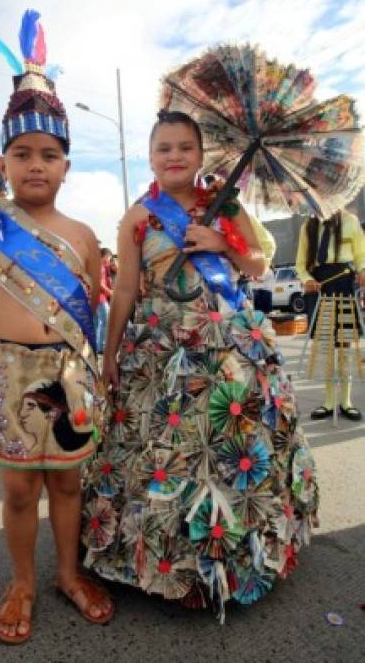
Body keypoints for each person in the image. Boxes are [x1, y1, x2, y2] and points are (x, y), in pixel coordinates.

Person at [82, 110, 319, 621]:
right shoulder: (138, 217)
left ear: (200, 154)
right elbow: (124, 289)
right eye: (164, 147)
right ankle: (163, 558)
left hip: (227, 346)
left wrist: (222, 244)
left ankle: (236, 559)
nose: (174, 156)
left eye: (184, 147)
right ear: (151, 156)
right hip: (161, 350)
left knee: (229, 444)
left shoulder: (224, 203)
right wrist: (110, 354)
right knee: (167, 452)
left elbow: (258, 263)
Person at [0, 10, 113, 644]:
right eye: (22, 154)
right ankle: (21, 581)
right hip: (6, 372)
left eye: (49, 154)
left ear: (67, 165)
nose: (35, 165)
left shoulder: (83, 235)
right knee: (19, 491)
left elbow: (90, 310)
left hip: (68, 376)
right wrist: (8, 349)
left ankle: (68, 574)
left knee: (67, 481)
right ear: (3, 160)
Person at [295, 210, 365, 420]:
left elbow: (361, 255)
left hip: (344, 283)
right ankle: (328, 402)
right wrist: (307, 279)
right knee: (325, 347)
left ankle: (346, 401)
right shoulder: (308, 225)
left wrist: (363, 270)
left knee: (344, 345)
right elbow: (300, 263)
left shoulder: (350, 220)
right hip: (318, 287)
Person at [93, 247, 113, 353]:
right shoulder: (99, 267)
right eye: (108, 258)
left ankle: (96, 347)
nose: (109, 261)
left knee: (97, 322)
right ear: (104, 256)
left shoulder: (101, 267)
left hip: (95, 298)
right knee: (105, 321)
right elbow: (99, 283)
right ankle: (101, 347)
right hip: (100, 298)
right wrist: (109, 292)